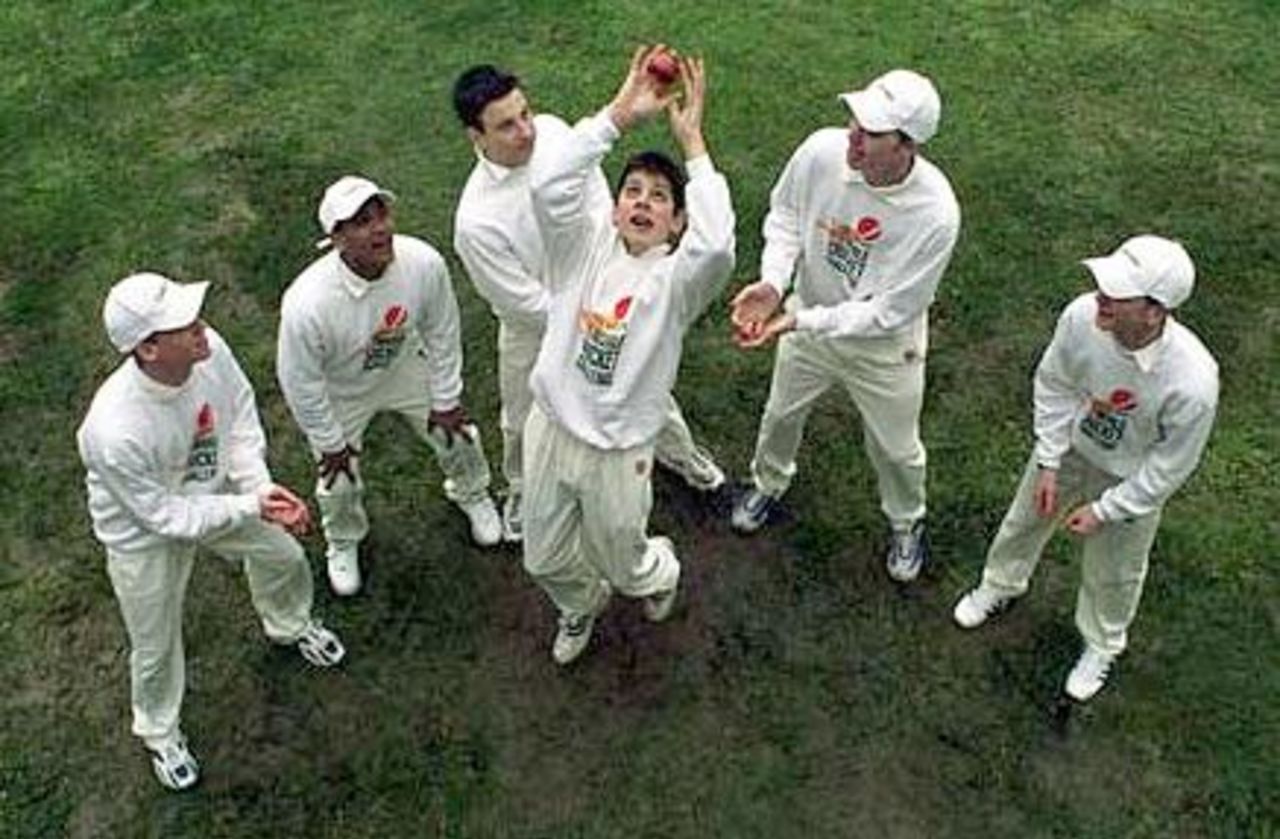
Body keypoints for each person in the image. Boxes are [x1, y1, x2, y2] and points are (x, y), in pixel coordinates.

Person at [76, 272, 345, 792]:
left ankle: (288, 624)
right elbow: (164, 517)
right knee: (154, 642)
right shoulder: (112, 430)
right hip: (144, 537)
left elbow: (241, 417)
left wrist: (260, 490)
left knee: (284, 558)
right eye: (182, 323)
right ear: (148, 348)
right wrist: (250, 504)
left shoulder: (207, 347)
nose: (200, 325)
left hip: (214, 493)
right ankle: (159, 729)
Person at [451, 63, 727, 542]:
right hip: (534, 328)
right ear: (475, 135)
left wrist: (616, 281)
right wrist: (579, 320)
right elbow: (519, 302)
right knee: (520, 418)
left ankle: (682, 457)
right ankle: (521, 487)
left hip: (609, 286)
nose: (527, 131)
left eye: (525, 113)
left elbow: (602, 203)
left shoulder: (555, 134)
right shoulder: (475, 220)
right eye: (507, 125)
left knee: (640, 391)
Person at [521, 46, 735, 664]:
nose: (642, 201)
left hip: (620, 451)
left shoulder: (675, 284)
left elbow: (717, 247)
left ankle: (659, 572)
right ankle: (578, 604)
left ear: (675, 226)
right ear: (614, 208)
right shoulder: (579, 249)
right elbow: (548, 182)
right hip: (552, 428)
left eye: (660, 198)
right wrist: (619, 114)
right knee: (541, 556)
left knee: (625, 561)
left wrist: (692, 144)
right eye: (632, 191)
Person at [952, 235, 1218, 702]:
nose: (1101, 297)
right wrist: (1050, 460)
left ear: (1155, 312)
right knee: (1024, 520)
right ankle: (1000, 584)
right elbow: (1054, 382)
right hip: (1072, 451)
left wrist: (1108, 509)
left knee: (1116, 570)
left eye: (1118, 294)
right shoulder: (1082, 317)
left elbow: (1169, 467)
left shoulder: (1193, 381)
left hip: (1129, 479)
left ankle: (1102, 643)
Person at [729, 68, 960, 584]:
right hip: (805, 322)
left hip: (882, 348)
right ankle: (768, 483)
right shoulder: (820, 151)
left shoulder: (936, 214)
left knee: (897, 449)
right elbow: (786, 216)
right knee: (780, 415)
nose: (854, 137)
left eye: (872, 132)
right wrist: (772, 283)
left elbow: (888, 312)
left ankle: (906, 520)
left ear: (909, 145)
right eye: (855, 121)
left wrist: (797, 319)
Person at [277, 175, 501, 597]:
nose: (380, 228)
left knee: (458, 436)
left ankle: (472, 492)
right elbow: (300, 382)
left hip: (402, 366)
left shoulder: (422, 262)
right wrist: (329, 442)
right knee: (337, 480)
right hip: (341, 389)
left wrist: (446, 397)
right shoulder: (305, 303)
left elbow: (442, 330)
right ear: (337, 238)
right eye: (362, 222)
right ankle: (343, 539)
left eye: (381, 214)